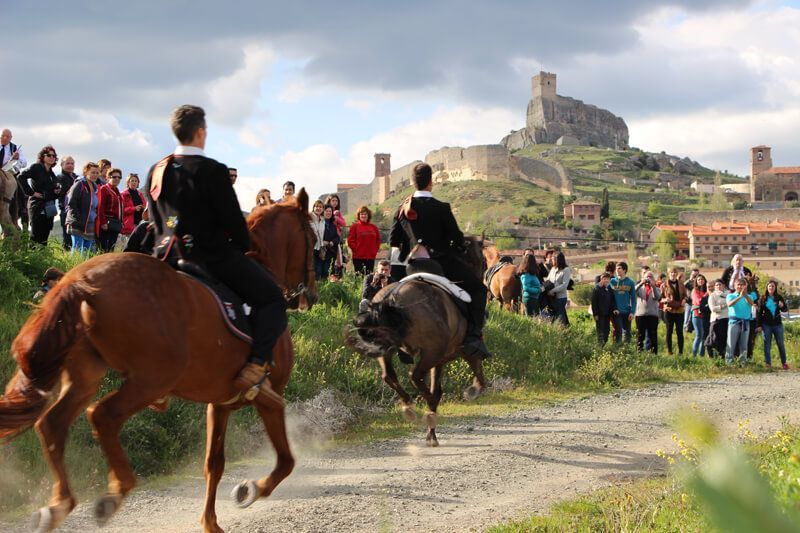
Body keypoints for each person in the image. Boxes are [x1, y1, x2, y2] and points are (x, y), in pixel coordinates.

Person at [146, 104, 287, 404]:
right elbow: (234, 222)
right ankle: (256, 366)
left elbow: (157, 218)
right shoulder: (213, 171)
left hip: (165, 255)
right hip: (208, 256)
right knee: (273, 298)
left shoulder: (156, 170)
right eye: (205, 131)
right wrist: (240, 246)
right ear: (200, 132)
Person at [389, 162, 490, 358]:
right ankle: (473, 338)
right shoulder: (442, 208)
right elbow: (457, 238)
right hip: (441, 265)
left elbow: (393, 240)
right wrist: (458, 247)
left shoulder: (401, 209)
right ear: (431, 183)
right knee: (479, 290)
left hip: (412, 267)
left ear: (413, 182)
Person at [18, 145, 61, 245]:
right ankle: (33, 259)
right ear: (42, 156)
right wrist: (31, 193)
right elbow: (21, 177)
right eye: (49, 155)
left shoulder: (51, 173)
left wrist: (57, 191)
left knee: (44, 238)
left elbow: (52, 190)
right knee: (35, 236)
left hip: (49, 207)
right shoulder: (36, 167)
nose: (51, 157)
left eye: (54, 156)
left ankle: (42, 258)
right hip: (37, 206)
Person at [65, 162, 101, 254]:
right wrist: (77, 218)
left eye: (97, 173)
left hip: (90, 224)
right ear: (86, 172)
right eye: (93, 172)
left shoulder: (95, 187)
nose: (95, 175)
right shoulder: (79, 184)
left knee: (86, 251)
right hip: (78, 222)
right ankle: (73, 267)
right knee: (77, 249)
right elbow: (71, 202)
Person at [756, 280, 789, 370]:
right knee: (767, 344)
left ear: (775, 288)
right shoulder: (762, 298)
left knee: (781, 344)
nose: (771, 288)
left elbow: (785, 310)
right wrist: (758, 325)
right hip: (766, 325)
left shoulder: (779, 297)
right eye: (770, 286)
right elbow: (758, 313)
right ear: (767, 287)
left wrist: (782, 306)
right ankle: (768, 363)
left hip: (778, 324)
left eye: (773, 286)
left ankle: (784, 363)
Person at [1, 129, 29, 231]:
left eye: (7, 137)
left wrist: (16, 159)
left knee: (20, 191)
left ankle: (22, 209)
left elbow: (24, 162)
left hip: (10, 175)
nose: (4, 138)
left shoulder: (15, 148)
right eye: (3, 136)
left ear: (11, 138)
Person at [726, 277, 755, 366]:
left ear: (745, 286)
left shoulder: (749, 296)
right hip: (734, 322)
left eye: (742, 285)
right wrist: (739, 296)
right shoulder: (730, 295)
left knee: (744, 344)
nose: (740, 286)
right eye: (738, 284)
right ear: (735, 286)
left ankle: (743, 362)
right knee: (731, 343)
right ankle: (729, 362)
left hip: (745, 322)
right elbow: (730, 304)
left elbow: (751, 303)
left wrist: (745, 295)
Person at [347, 205, 381, 275]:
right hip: (358, 257)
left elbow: (377, 241)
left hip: (370, 257)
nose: (363, 216)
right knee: (359, 278)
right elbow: (350, 240)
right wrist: (357, 250)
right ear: (359, 216)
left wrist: (374, 251)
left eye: (365, 214)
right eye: (361, 214)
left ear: (368, 215)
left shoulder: (374, 227)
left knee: (369, 278)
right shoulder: (354, 226)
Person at [96, 168, 124, 252]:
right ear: (108, 178)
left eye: (119, 177)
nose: (117, 179)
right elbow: (100, 206)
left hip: (115, 224)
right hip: (107, 223)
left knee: (111, 247)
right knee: (104, 248)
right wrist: (103, 222)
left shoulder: (117, 191)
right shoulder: (104, 189)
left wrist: (121, 223)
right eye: (114, 177)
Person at [660, 267, 687, 356]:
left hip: (679, 311)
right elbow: (659, 299)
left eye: (675, 272)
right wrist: (665, 300)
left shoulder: (681, 284)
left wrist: (684, 300)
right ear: (669, 274)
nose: (673, 274)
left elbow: (685, 296)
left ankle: (680, 352)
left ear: (677, 274)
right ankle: (670, 351)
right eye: (671, 272)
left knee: (679, 332)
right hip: (669, 311)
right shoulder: (664, 285)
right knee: (669, 331)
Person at [635, 270, 661, 354]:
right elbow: (633, 292)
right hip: (640, 315)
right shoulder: (640, 288)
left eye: (650, 277)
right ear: (643, 278)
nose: (648, 278)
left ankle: (654, 354)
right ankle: (639, 353)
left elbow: (657, 297)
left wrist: (653, 286)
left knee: (653, 336)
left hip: (652, 315)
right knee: (640, 336)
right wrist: (641, 283)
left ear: (654, 279)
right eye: (647, 277)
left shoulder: (657, 289)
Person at [610, 261, 636, 344]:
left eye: (619, 268)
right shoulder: (612, 281)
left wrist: (632, 312)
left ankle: (627, 351)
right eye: (616, 269)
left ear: (624, 270)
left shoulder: (630, 282)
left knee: (627, 333)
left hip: (627, 312)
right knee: (618, 332)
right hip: (616, 312)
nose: (617, 270)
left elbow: (634, 299)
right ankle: (617, 350)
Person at [56, 156, 77, 250]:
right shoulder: (59, 178)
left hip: (79, 211)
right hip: (66, 211)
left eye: (72, 163)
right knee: (67, 238)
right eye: (67, 163)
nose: (70, 165)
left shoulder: (77, 177)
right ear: (62, 165)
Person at [545, 251, 571, 326]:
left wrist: (553, 290)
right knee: (555, 316)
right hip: (552, 297)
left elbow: (564, 285)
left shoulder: (566, 270)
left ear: (558, 259)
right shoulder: (553, 269)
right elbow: (548, 280)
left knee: (560, 317)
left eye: (553, 259)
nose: (551, 260)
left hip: (560, 297)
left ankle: (563, 332)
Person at [592, 273, 618, 345]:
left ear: (609, 280)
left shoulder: (610, 289)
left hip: (607, 314)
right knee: (601, 332)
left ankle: (603, 345)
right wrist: (595, 314)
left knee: (607, 331)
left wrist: (615, 309)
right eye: (604, 279)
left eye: (607, 279)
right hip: (600, 315)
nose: (605, 280)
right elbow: (594, 302)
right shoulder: (597, 289)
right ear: (601, 280)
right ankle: (600, 347)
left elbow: (613, 301)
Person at [325, 193, 347, 277]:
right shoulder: (326, 210)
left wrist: (336, 217)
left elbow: (343, 223)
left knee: (338, 259)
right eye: (333, 200)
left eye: (336, 201)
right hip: (327, 238)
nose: (335, 202)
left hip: (337, 239)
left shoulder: (338, 213)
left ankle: (337, 278)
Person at [121, 173, 146, 245]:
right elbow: (121, 210)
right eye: (132, 181)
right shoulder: (123, 194)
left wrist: (143, 208)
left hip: (139, 223)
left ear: (138, 183)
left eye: (136, 181)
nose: (134, 182)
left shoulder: (140, 194)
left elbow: (145, 206)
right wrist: (134, 209)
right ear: (128, 182)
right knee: (129, 244)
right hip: (129, 224)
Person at [707, 279, 729, 359]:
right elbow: (712, 308)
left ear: (723, 285)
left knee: (724, 340)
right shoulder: (712, 295)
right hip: (717, 320)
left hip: (727, 319)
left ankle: (722, 357)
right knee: (714, 339)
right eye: (717, 285)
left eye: (720, 284)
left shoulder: (728, 294)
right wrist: (723, 306)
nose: (718, 286)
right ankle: (712, 357)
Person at [517, 251, 542, 317]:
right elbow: (526, 288)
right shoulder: (526, 275)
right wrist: (538, 290)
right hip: (530, 298)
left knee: (533, 317)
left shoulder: (531, 274)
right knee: (531, 318)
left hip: (532, 298)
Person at [318, 204, 340, 279]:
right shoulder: (319, 223)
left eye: (330, 211)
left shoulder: (332, 225)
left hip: (330, 253)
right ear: (323, 212)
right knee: (319, 273)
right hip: (320, 253)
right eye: (326, 211)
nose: (328, 213)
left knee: (328, 274)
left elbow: (337, 237)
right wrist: (322, 242)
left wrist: (332, 242)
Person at [690, 274, 709, 357]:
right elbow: (698, 301)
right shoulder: (695, 290)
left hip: (705, 315)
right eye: (698, 280)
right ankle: (693, 355)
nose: (700, 281)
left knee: (704, 336)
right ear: (696, 282)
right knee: (699, 335)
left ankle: (701, 355)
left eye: (702, 279)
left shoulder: (706, 290)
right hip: (697, 315)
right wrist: (706, 296)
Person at [309, 200, 326, 279]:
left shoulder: (323, 219)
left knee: (318, 271)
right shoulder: (309, 217)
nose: (318, 208)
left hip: (320, 249)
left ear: (323, 209)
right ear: (313, 207)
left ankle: (318, 289)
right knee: (311, 271)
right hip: (310, 248)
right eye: (317, 206)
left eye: (320, 207)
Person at [683, 268, 700, 333]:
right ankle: (685, 332)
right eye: (694, 275)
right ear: (691, 274)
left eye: (696, 275)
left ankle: (694, 332)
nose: (695, 277)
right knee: (687, 319)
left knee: (696, 318)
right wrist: (690, 279)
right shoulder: (687, 283)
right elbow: (682, 289)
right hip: (689, 303)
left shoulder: (699, 283)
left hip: (697, 304)